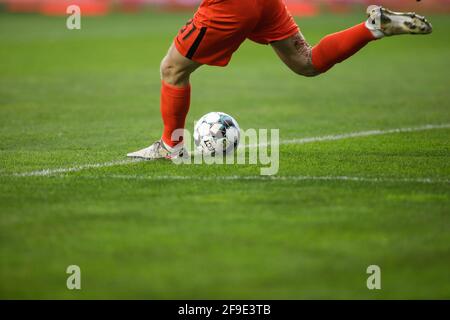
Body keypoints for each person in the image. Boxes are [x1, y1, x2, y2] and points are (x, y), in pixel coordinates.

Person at [127, 2, 432, 160]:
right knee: (307, 62)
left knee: (172, 69)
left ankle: (171, 146)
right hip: (265, 2)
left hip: (230, 6)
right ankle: (373, 27)